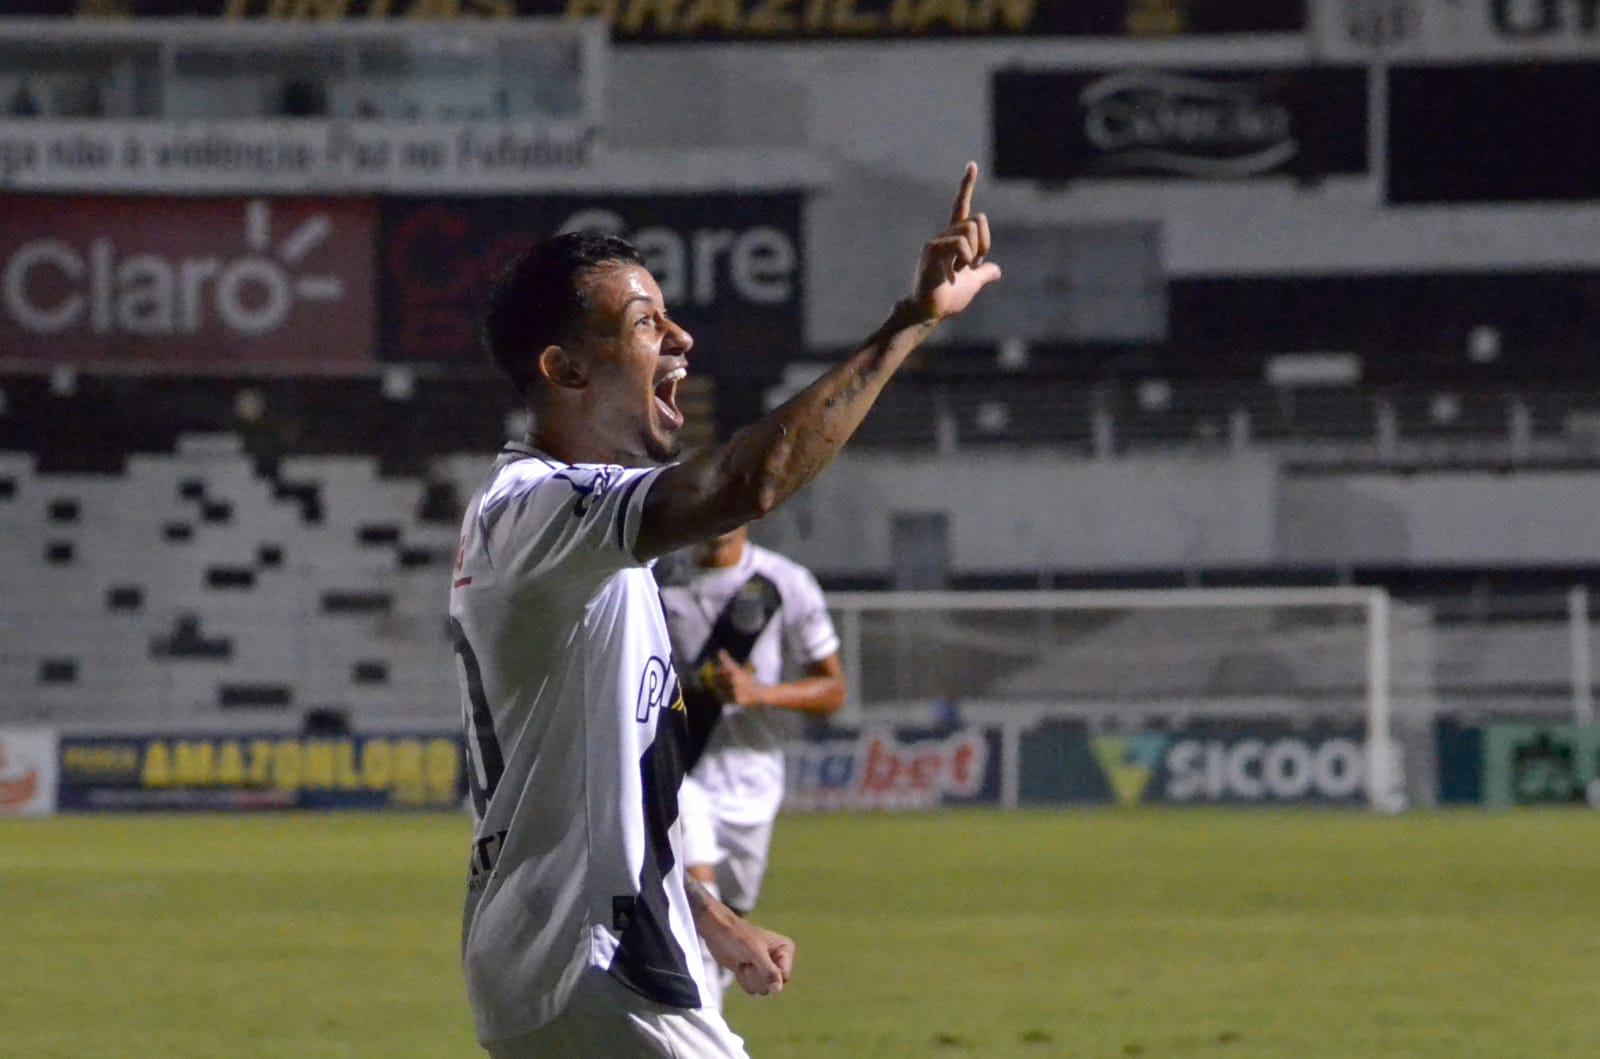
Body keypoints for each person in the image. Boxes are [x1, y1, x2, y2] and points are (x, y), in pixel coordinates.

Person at [451, 162, 999, 1057]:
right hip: (597, 966)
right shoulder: (536, 507)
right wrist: (911, 322)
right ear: (565, 368)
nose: (681, 338)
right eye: (644, 323)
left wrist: (710, 917)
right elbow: (752, 477)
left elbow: (603, 788)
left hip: (567, 963)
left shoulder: (578, 540)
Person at [660, 525, 846, 1011]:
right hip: (680, 770)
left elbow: (832, 690)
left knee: (733, 919)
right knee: (700, 918)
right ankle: (705, 1041)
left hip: (753, 775)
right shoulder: (656, 579)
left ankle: (683, 1013)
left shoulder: (783, 583)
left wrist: (759, 692)